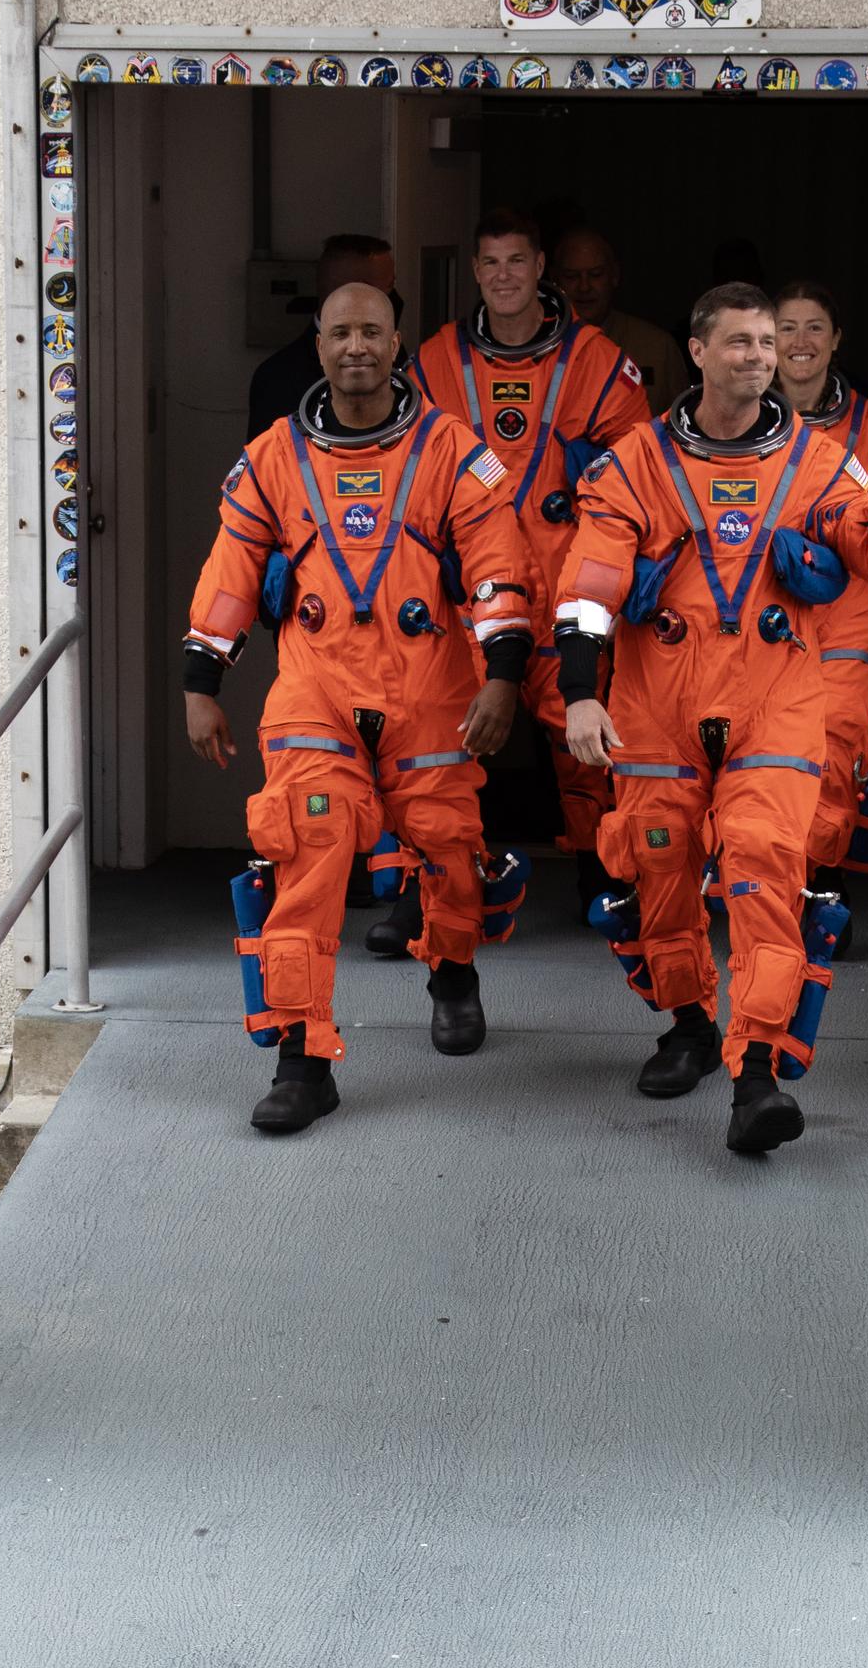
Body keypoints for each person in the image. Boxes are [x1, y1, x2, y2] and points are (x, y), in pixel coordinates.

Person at [554, 283, 868, 1154]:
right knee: (657, 876)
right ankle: (690, 1025)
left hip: (773, 705)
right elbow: (589, 585)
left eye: (767, 343)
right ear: (696, 352)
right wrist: (581, 690)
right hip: (655, 711)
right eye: (738, 343)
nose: (757, 357)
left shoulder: (814, 460)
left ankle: (757, 1076)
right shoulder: (635, 461)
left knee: (766, 876)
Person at [183, 283, 534, 1133]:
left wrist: (502, 674)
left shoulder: (454, 450)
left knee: (450, 849)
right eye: (340, 332)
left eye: (371, 331)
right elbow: (232, 568)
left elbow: (497, 562)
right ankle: (302, 1060)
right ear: (318, 345)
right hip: (317, 686)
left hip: (429, 689)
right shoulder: (274, 455)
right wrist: (202, 684)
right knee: (306, 854)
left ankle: (451, 971)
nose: (356, 347)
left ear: (397, 342)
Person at [407, 207, 648, 931]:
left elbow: (640, 468)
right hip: (470, 588)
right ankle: (438, 893)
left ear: (540, 268)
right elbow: (404, 464)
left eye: (517, 261)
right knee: (439, 744)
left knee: (585, 747)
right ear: (474, 272)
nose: (504, 276)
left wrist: (589, 473)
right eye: (490, 264)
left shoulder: (597, 359)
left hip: (567, 580)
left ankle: (598, 878)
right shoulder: (438, 360)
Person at [772, 281, 868, 890]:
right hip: (755, 608)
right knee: (759, 756)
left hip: (847, 609)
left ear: (836, 340)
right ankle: (769, 887)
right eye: (786, 328)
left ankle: (815, 888)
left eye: (814, 328)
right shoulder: (724, 420)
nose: (799, 342)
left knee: (836, 753)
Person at [246, 234, 403, 442]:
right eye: (386, 287)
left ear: (394, 345)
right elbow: (267, 467)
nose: (357, 349)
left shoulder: (399, 359)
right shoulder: (278, 377)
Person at [552, 227, 689, 415]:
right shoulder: (537, 348)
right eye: (571, 276)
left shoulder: (657, 347)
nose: (584, 287)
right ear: (555, 280)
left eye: (596, 274)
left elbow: (682, 423)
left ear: (614, 275)